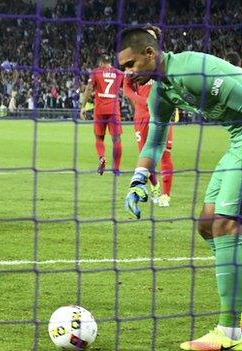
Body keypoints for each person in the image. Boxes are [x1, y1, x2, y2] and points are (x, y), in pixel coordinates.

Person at [120, 26, 242, 349]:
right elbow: (154, 143)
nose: (127, 74)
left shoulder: (190, 70)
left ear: (150, 53)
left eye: (130, 65)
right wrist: (137, 182)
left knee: (226, 223)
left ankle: (231, 333)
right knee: (207, 225)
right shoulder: (162, 92)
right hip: (237, 139)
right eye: (123, 68)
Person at [121, 26, 174, 208]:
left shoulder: (165, 62)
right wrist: (142, 101)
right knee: (146, 155)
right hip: (141, 116)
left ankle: (166, 195)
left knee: (165, 154)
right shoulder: (135, 62)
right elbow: (126, 88)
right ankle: (155, 188)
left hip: (162, 113)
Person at [80, 54, 124, 175]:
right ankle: (116, 168)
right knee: (117, 139)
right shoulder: (119, 73)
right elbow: (126, 89)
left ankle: (102, 157)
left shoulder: (96, 73)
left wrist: (83, 106)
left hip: (100, 110)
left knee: (99, 137)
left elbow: (89, 88)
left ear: (100, 63)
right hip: (114, 110)